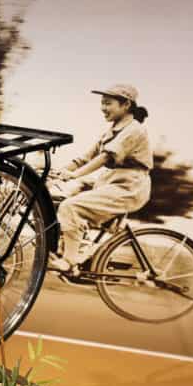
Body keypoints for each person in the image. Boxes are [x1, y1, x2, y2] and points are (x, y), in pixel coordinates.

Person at [49, 84, 153, 273]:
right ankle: (80, 253)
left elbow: (106, 156)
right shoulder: (111, 130)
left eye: (107, 103)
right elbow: (84, 158)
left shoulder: (134, 130)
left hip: (129, 188)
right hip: (110, 183)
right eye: (102, 103)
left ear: (126, 105)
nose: (103, 108)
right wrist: (58, 172)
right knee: (61, 203)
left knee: (71, 207)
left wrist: (74, 175)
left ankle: (69, 262)